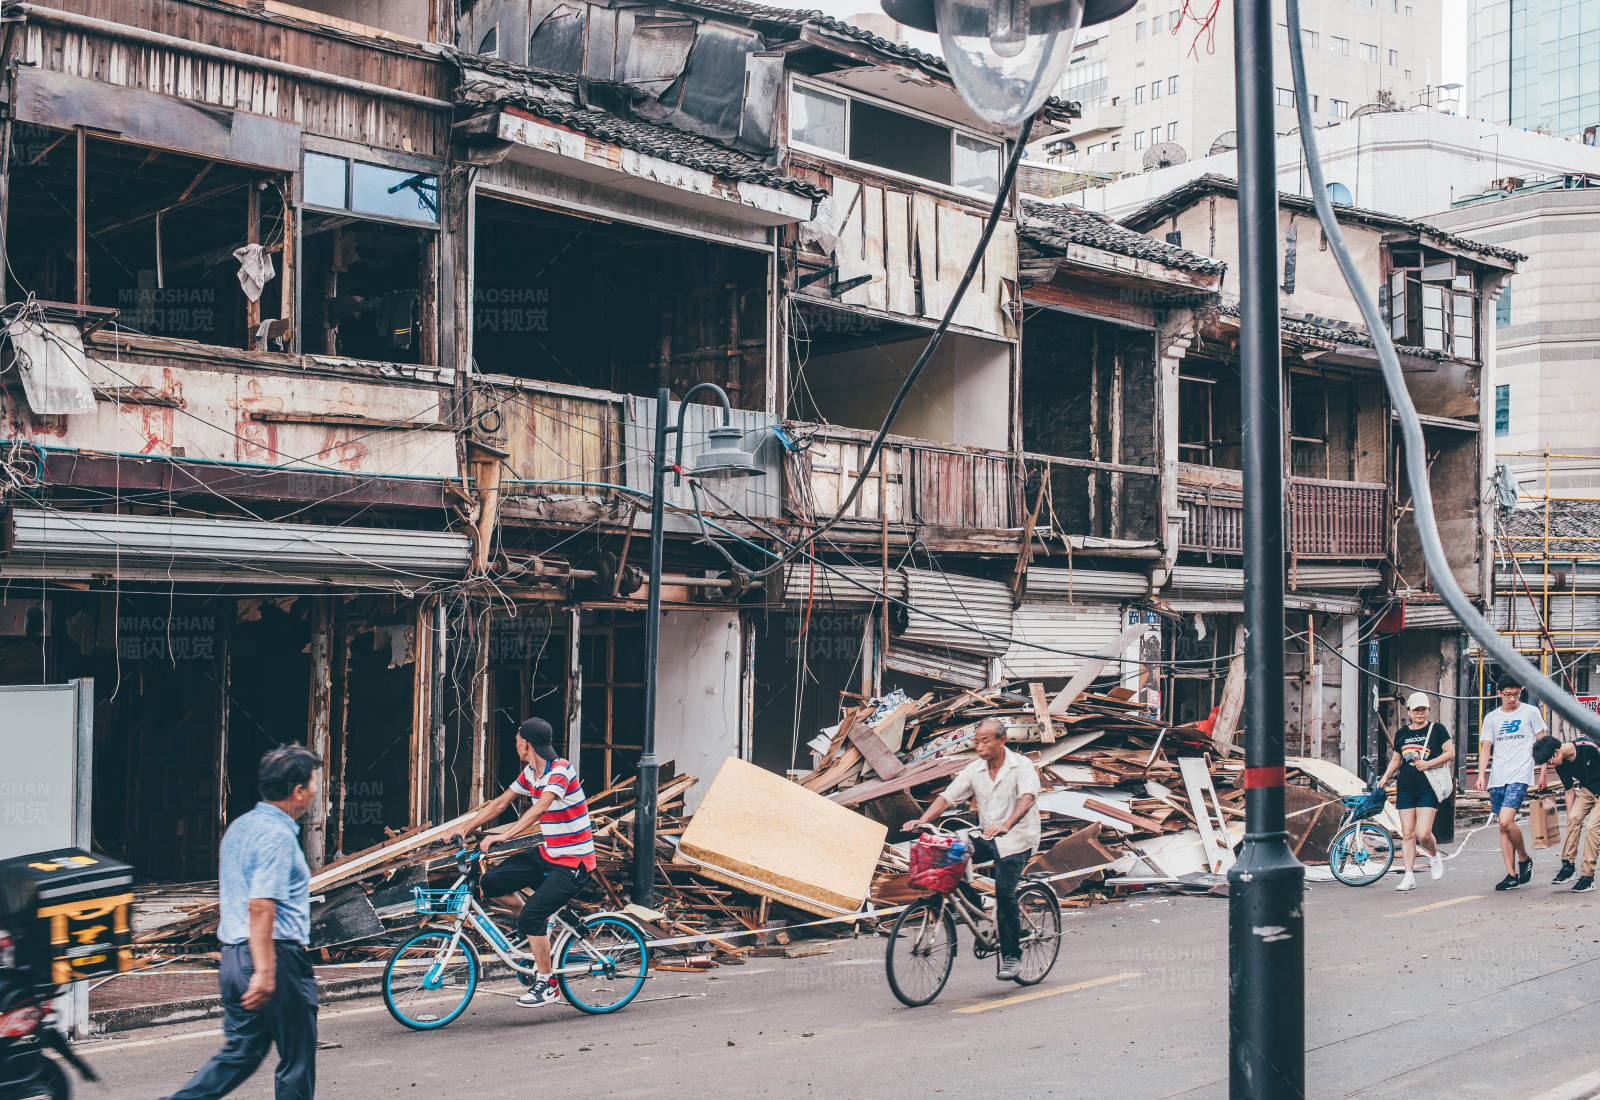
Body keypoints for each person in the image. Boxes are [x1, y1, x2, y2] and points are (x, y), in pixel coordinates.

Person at [164, 745, 322, 1100]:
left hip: (234, 957)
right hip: (274, 958)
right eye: (313, 784)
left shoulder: (240, 827)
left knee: (241, 1053)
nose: (315, 792)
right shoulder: (277, 837)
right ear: (297, 791)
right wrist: (265, 972)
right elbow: (261, 906)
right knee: (297, 1058)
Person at [458, 717, 596, 1008]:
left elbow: (541, 808)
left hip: (575, 863)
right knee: (491, 882)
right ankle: (532, 924)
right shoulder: (530, 773)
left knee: (533, 914)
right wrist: (465, 830)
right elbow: (500, 803)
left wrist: (504, 835)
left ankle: (548, 984)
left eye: (517, 739)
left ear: (526, 743)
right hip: (550, 853)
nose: (515, 743)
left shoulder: (561, 771)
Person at [903, 718, 1040, 981]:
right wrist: (923, 821)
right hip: (986, 835)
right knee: (949, 857)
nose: (980, 746)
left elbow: (1027, 798)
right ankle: (975, 906)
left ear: (1002, 741)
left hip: (1018, 837)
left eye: (986, 740)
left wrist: (1006, 824)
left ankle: (1012, 955)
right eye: (976, 741)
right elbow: (947, 797)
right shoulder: (975, 770)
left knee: (1004, 894)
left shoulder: (1021, 766)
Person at [1375, 691, 1454, 891]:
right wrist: (1385, 777)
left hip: (1428, 787)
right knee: (1408, 834)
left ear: (1428, 710)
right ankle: (1409, 876)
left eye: (1423, 709)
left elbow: (1450, 753)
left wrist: (1429, 764)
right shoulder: (1402, 733)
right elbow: (1396, 759)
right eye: (1416, 710)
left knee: (1423, 833)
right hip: (1406, 787)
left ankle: (1434, 856)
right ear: (1408, 711)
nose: (1420, 713)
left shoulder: (1437, 730)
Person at [1474, 679, 1547, 891]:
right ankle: (1511, 874)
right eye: (1508, 694)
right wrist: (1481, 775)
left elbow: (1543, 743)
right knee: (1503, 826)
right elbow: (1486, 747)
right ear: (1499, 693)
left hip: (1520, 773)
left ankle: (1524, 858)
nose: (1513, 699)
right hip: (1498, 776)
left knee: (1506, 820)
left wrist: (1542, 772)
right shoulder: (1492, 718)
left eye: (1516, 694)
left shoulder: (1531, 712)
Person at [1532, 734, 1600, 892]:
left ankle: (1588, 877)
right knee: (1574, 818)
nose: (1550, 765)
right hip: (1588, 789)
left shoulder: (1588, 747)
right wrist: (1572, 820)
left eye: (1550, 761)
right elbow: (1569, 791)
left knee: (1592, 828)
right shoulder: (1561, 765)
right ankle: (1568, 867)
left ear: (1556, 752)